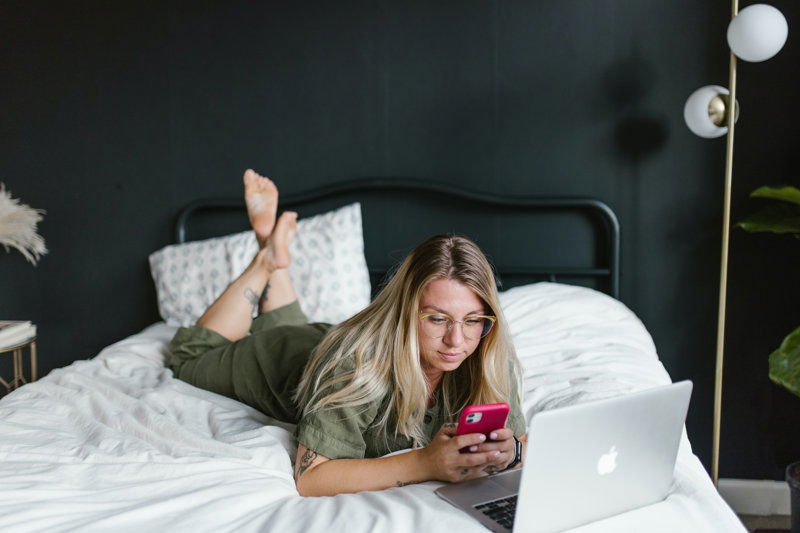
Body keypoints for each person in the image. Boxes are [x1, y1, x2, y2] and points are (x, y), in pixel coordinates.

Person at [167, 169, 528, 497]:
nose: (456, 340)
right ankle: (266, 259)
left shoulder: (490, 351)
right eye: (436, 319)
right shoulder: (355, 365)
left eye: (472, 320)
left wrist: (512, 453)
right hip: (284, 358)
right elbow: (312, 478)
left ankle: (273, 250)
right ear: (403, 314)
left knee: (291, 325)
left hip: (318, 341)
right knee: (189, 355)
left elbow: (521, 442)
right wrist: (426, 464)